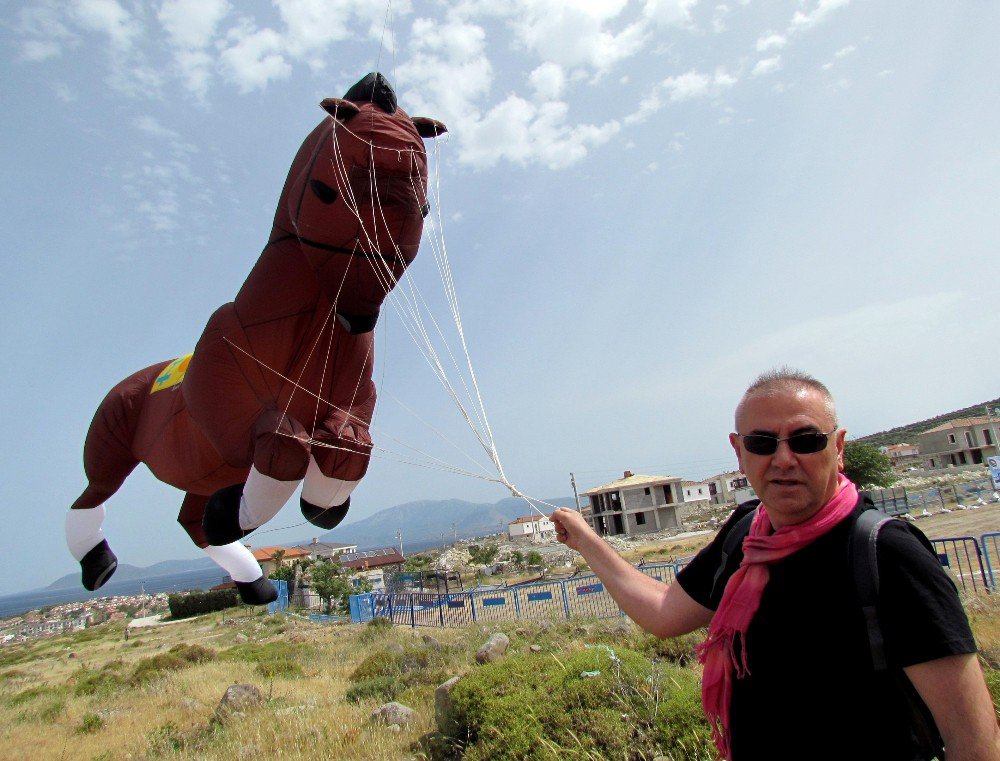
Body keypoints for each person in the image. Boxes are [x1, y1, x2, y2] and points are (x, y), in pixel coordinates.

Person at [550, 369, 1000, 761]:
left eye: (806, 440)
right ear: (740, 452)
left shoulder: (886, 552)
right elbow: (665, 612)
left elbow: (972, 740)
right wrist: (588, 542)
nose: (784, 458)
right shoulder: (747, 532)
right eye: (763, 443)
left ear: (838, 448)